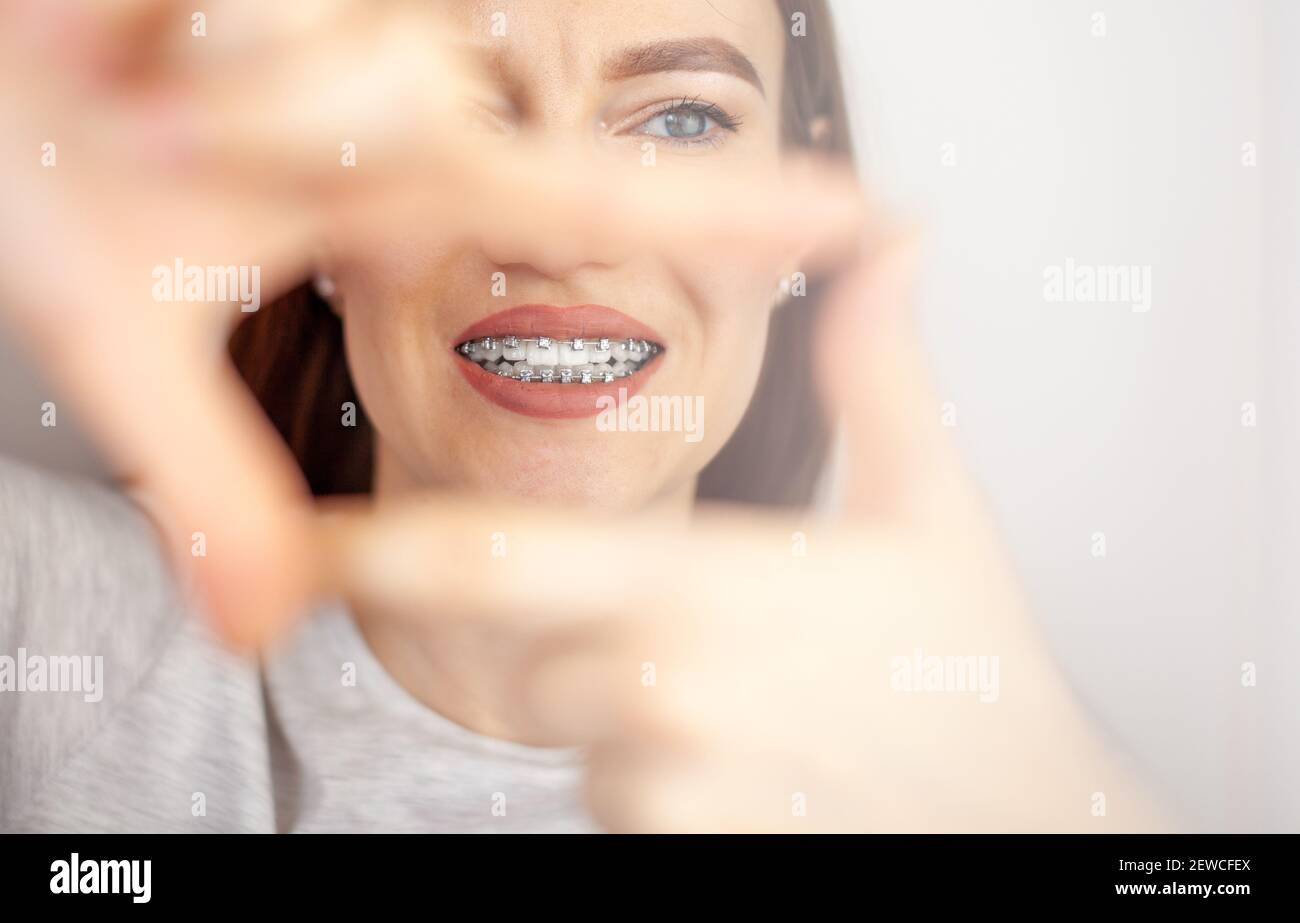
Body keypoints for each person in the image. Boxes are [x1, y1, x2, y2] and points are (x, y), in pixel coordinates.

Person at [0, 0, 1163, 832]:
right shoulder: (48, 619)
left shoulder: (951, 742)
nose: (556, 241)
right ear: (324, 239)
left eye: (683, 121)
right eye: (448, 122)